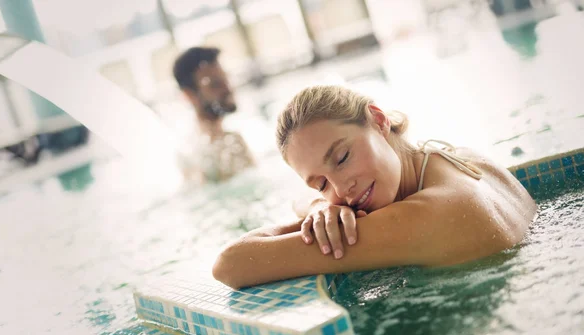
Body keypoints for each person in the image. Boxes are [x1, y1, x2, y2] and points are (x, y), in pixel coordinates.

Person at [212, 85, 537, 289]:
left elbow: (232, 263)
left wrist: (318, 205)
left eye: (342, 157)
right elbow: (305, 200)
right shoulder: (458, 159)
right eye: (321, 183)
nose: (343, 188)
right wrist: (318, 206)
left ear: (378, 121)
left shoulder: (422, 218)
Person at [172, 46, 255, 183]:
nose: (227, 89)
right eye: (215, 84)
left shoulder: (189, 149)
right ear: (189, 96)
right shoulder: (224, 146)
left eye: (226, 79)